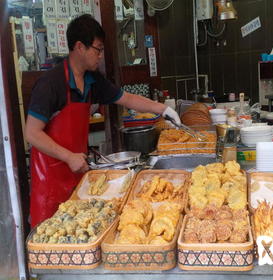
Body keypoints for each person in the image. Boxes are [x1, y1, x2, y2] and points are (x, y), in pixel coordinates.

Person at [24, 14, 180, 227]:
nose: (100, 55)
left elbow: (127, 98)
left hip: (78, 174)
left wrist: (163, 109)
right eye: (98, 49)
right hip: (50, 180)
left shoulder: (91, 79)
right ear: (80, 47)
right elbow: (32, 133)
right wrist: (68, 156)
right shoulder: (50, 84)